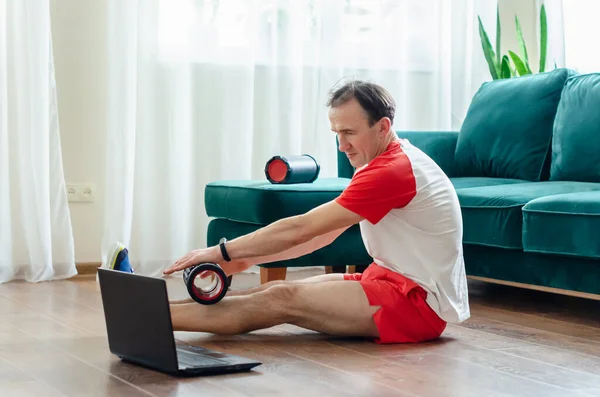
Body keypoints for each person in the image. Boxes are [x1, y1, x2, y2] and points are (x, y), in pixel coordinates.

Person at [104, 80, 470, 344]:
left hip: (418, 305)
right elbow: (321, 235)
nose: (341, 145)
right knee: (275, 290)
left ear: (383, 127)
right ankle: (147, 306)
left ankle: (138, 316)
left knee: (280, 301)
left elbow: (303, 227)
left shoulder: (393, 170)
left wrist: (223, 251)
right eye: (335, 133)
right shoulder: (381, 160)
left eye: (349, 132)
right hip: (388, 281)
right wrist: (250, 260)